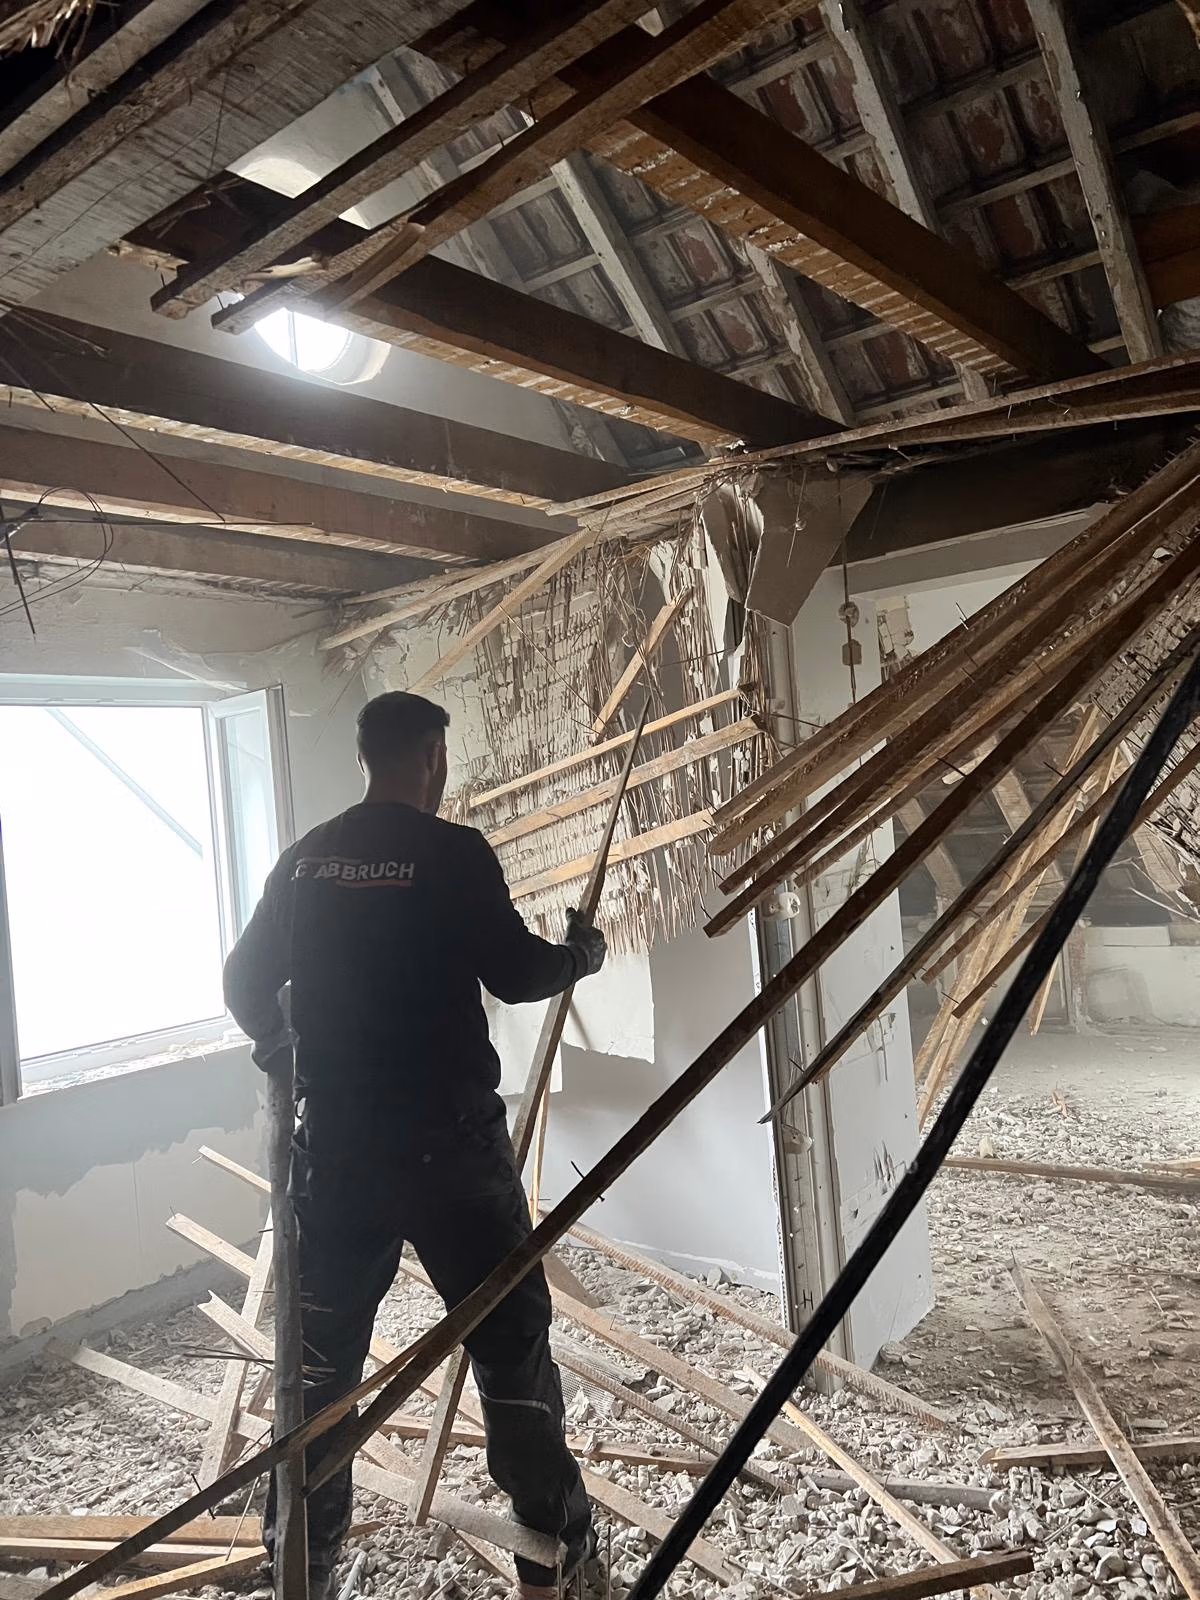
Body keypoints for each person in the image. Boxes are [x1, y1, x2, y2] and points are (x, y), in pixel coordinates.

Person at [223, 690, 606, 1600]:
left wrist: (279, 1049)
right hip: (454, 1154)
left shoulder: (306, 859)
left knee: (319, 1374)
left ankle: (302, 1570)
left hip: (339, 1155)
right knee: (511, 1352)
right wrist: (578, 957)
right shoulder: (451, 852)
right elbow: (516, 973)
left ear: (365, 758)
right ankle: (552, 1563)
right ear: (433, 756)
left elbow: (242, 980)